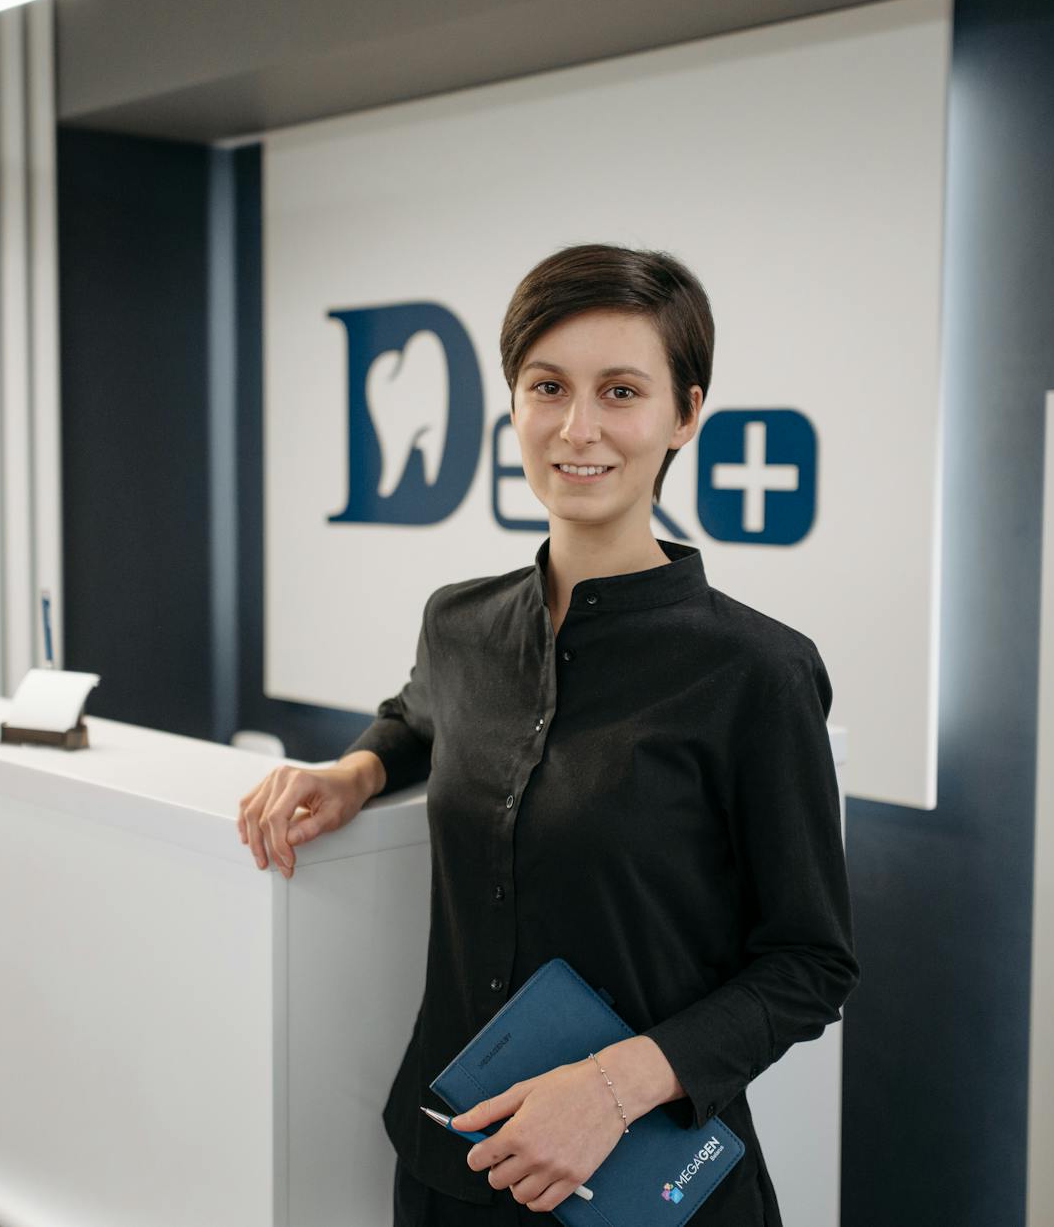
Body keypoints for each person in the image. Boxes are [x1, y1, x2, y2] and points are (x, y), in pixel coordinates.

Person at [236, 243, 858, 1225]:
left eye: (620, 391)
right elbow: (422, 713)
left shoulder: (759, 673)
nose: (579, 427)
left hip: (643, 1187)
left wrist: (611, 1086)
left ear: (686, 413)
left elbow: (810, 964)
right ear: (513, 404)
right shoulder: (460, 622)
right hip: (453, 1169)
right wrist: (357, 771)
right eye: (546, 386)